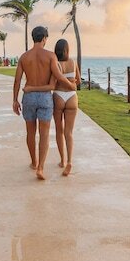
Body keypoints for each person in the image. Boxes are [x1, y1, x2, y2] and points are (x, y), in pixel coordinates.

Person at [12, 26, 74, 180]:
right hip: (45, 98)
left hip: (29, 97)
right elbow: (59, 76)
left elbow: (17, 80)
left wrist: (15, 100)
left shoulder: (24, 57)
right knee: (44, 134)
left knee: (30, 132)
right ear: (44, 38)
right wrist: (71, 85)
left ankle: (34, 162)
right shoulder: (50, 56)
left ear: (33, 38)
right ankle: (41, 168)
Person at [51, 38, 79, 176]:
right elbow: (78, 81)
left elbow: (53, 82)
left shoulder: (56, 64)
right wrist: (71, 81)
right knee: (69, 133)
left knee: (59, 130)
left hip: (58, 96)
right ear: (67, 50)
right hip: (72, 97)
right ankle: (69, 162)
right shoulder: (73, 62)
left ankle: (62, 160)